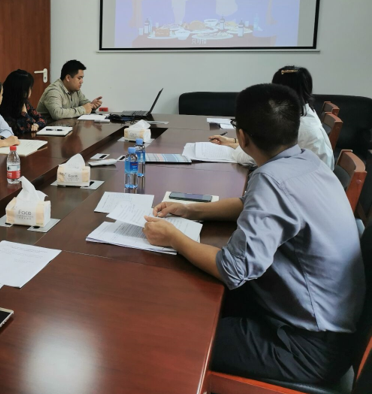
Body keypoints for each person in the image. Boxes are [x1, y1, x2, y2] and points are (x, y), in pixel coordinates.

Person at [143, 84, 364, 385]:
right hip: (326, 327)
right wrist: (190, 209)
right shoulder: (305, 160)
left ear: (242, 137)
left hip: (303, 347)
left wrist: (174, 238)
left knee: (167, 332)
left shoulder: (271, 180)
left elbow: (232, 269)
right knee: (191, 299)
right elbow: (249, 204)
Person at [210, 66, 334, 169]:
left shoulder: (289, 122)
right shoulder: (306, 113)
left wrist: (236, 145)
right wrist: (232, 142)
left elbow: (251, 157)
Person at [37, 60, 102, 120]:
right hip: (48, 127)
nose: (82, 81)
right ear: (68, 78)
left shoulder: (75, 89)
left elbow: (84, 105)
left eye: (82, 78)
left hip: (66, 126)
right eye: (79, 78)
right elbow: (57, 114)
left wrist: (92, 105)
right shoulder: (53, 91)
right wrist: (83, 110)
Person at [0, 69, 47, 136]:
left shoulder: (24, 102)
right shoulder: (3, 105)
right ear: (22, 90)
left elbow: (42, 118)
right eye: (30, 88)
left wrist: (36, 124)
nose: (31, 90)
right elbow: (19, 129)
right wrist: (25, 114)